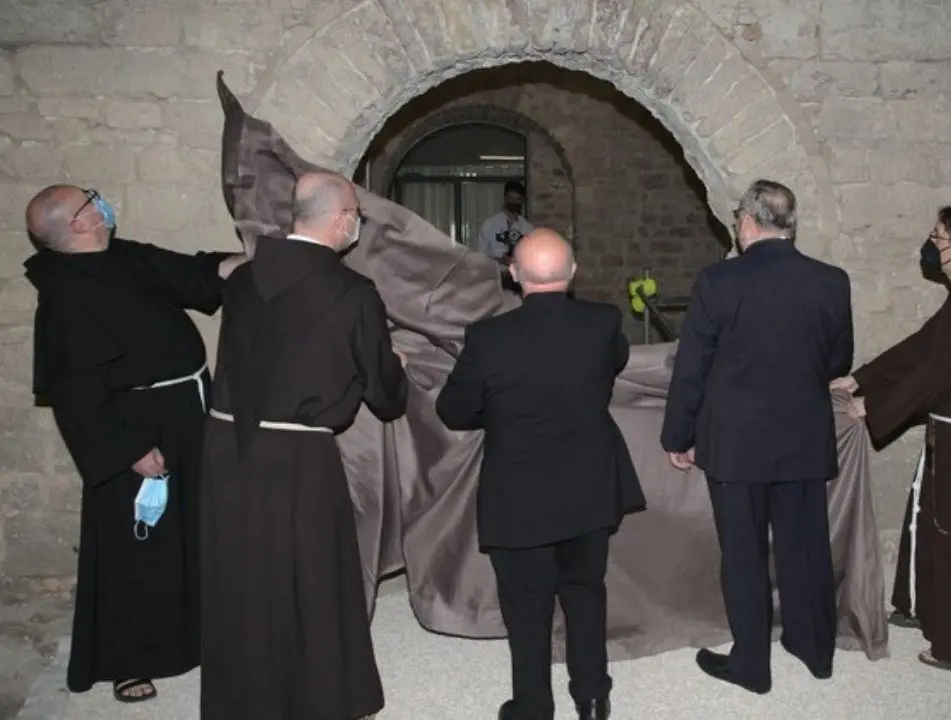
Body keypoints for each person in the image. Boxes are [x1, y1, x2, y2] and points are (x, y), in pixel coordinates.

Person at [22, 185, 246, 703]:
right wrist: (128, 451)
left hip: (187, 412)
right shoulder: (63, 297)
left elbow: (193, 274)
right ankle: (128, 660)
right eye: (89, 202)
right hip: (135, 429)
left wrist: (250, 257)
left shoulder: (125, 256)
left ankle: (198, 634)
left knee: (195, 528)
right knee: (134, 545)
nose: (101, 204)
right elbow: (75, 395)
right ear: (78, 224)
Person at [199, 171, 408, 720]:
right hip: (296, 455)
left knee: (244, 575)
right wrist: (388, 370)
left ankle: (244, 700)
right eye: (356, 215)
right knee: (310, 576)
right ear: (341, 219)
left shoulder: (242, 280)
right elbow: (387, 397)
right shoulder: (353, 292)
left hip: (227, 444)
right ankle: (316, 699)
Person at [436, 228, 645, 720]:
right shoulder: (603, 322)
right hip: (590, 490)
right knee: (585, 592)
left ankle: (533, 707)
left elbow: (454, 410)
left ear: (513, 275)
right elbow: (614, 363)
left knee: (527, 608)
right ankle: (592, 697)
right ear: (573, 273)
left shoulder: (488, 338)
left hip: (519, 497)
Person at [660, 179, 853, 693]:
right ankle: (815, 651)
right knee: (806, 547)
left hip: (736, 443)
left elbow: (691, 369)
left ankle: (753, 665)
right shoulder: (832, 281)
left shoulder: (718, 281)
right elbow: (839, 361)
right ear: (789, 225)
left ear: (746, 221)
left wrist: (677, 434)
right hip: (804, 437)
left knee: (743, 553)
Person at [832, 204, 951, 671]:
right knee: (936, 526)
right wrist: (861, 378)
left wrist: (872, 406)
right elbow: (923, 347)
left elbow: (936, 374)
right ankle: (927, 606)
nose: (930, 244)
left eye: (937, 236)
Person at [476, 181, 535, 293]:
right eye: (511, 198)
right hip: (495, 280)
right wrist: (500, 259)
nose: (514, 202)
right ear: (505, 198)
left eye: (517, 199)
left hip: (520, 281)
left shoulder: (527, 228)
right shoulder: (490, 225)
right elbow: (480, 256)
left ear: (522, 201)